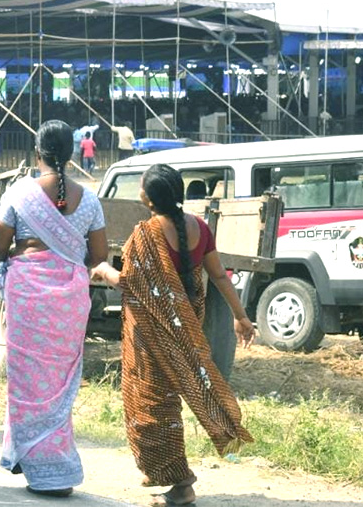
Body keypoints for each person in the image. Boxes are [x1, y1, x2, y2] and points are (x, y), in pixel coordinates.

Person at [92, 163, 255, 506]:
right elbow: (220, 277)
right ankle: (169, 475)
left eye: (142, 187)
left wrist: (104, 269)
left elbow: (128, 282)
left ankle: (180, 483)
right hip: (186, 327)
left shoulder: (146, 234)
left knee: (151, 404)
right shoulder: (199, 227)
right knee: (168, 401)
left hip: (152, 332)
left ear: (149, 199)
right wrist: (240, 317)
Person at [0, 120, 109, 497]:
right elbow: (100, 256)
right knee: (56, 386)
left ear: (36, 153)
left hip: (27, 294)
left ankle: (32, 460)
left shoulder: (19, 193)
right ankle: (55, 466)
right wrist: (67, 252)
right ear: (72, 154)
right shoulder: (88, 199)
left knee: (26, 381)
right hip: (69, 299)